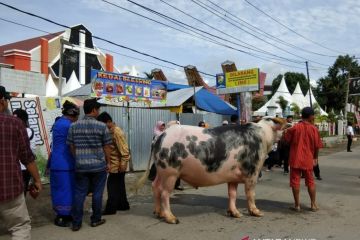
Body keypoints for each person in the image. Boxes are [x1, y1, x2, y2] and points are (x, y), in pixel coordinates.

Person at [0, 85, 42, 240]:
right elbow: (27, 157)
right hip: (9, 188)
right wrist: (37, 180)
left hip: (10, 187)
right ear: (3, 101)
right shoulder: (15, 123)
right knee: (20, 228)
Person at [67, 98, 112, 231]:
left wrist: (78, 158)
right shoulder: (102, 126)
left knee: (79, 193)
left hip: (81, 166)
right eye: (98, 109)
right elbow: (107, 147)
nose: (99, 112)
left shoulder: (73, 126)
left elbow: (71, 146)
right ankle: (95, 219)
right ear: (93, 110)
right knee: (97, 193)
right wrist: (108, 162)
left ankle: (76, 223)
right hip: (98, 166)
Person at [284, 107, 323, 212]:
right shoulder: (314, 129)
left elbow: (286, 141)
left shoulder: (294, 128)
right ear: (311, 116)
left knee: (295, 181)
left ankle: (297, 205)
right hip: (308, 159)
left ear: (302, 116)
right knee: (310, 181)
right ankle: (313, 204)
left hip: (295, 159)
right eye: (313, 115)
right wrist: (315, 158)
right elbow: (317, 146)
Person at [49, 100, 80, 227]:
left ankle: (61, 214)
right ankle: (63, 216)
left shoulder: (58, 123)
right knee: (66, 190)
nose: (77, 119)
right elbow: (73, 145)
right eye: (77, 117)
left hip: (56, 162)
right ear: (73, 115)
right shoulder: (69, 125)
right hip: (66, 163)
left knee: (58, 190)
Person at [97, 112, 131, 215]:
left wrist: (123, 163)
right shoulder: (111, 131)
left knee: (112, 186)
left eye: (103, 124)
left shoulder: (116, 132)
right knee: (119, 186)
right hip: (115, 164)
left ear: (108, 122)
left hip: (117, 164)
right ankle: (123, 205)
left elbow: (124, 150)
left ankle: (111, 209)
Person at [13, 109, 37, 195]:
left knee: (20, 193)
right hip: (25, 167)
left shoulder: (27, 131)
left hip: (22, 167)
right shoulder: (28, 130)